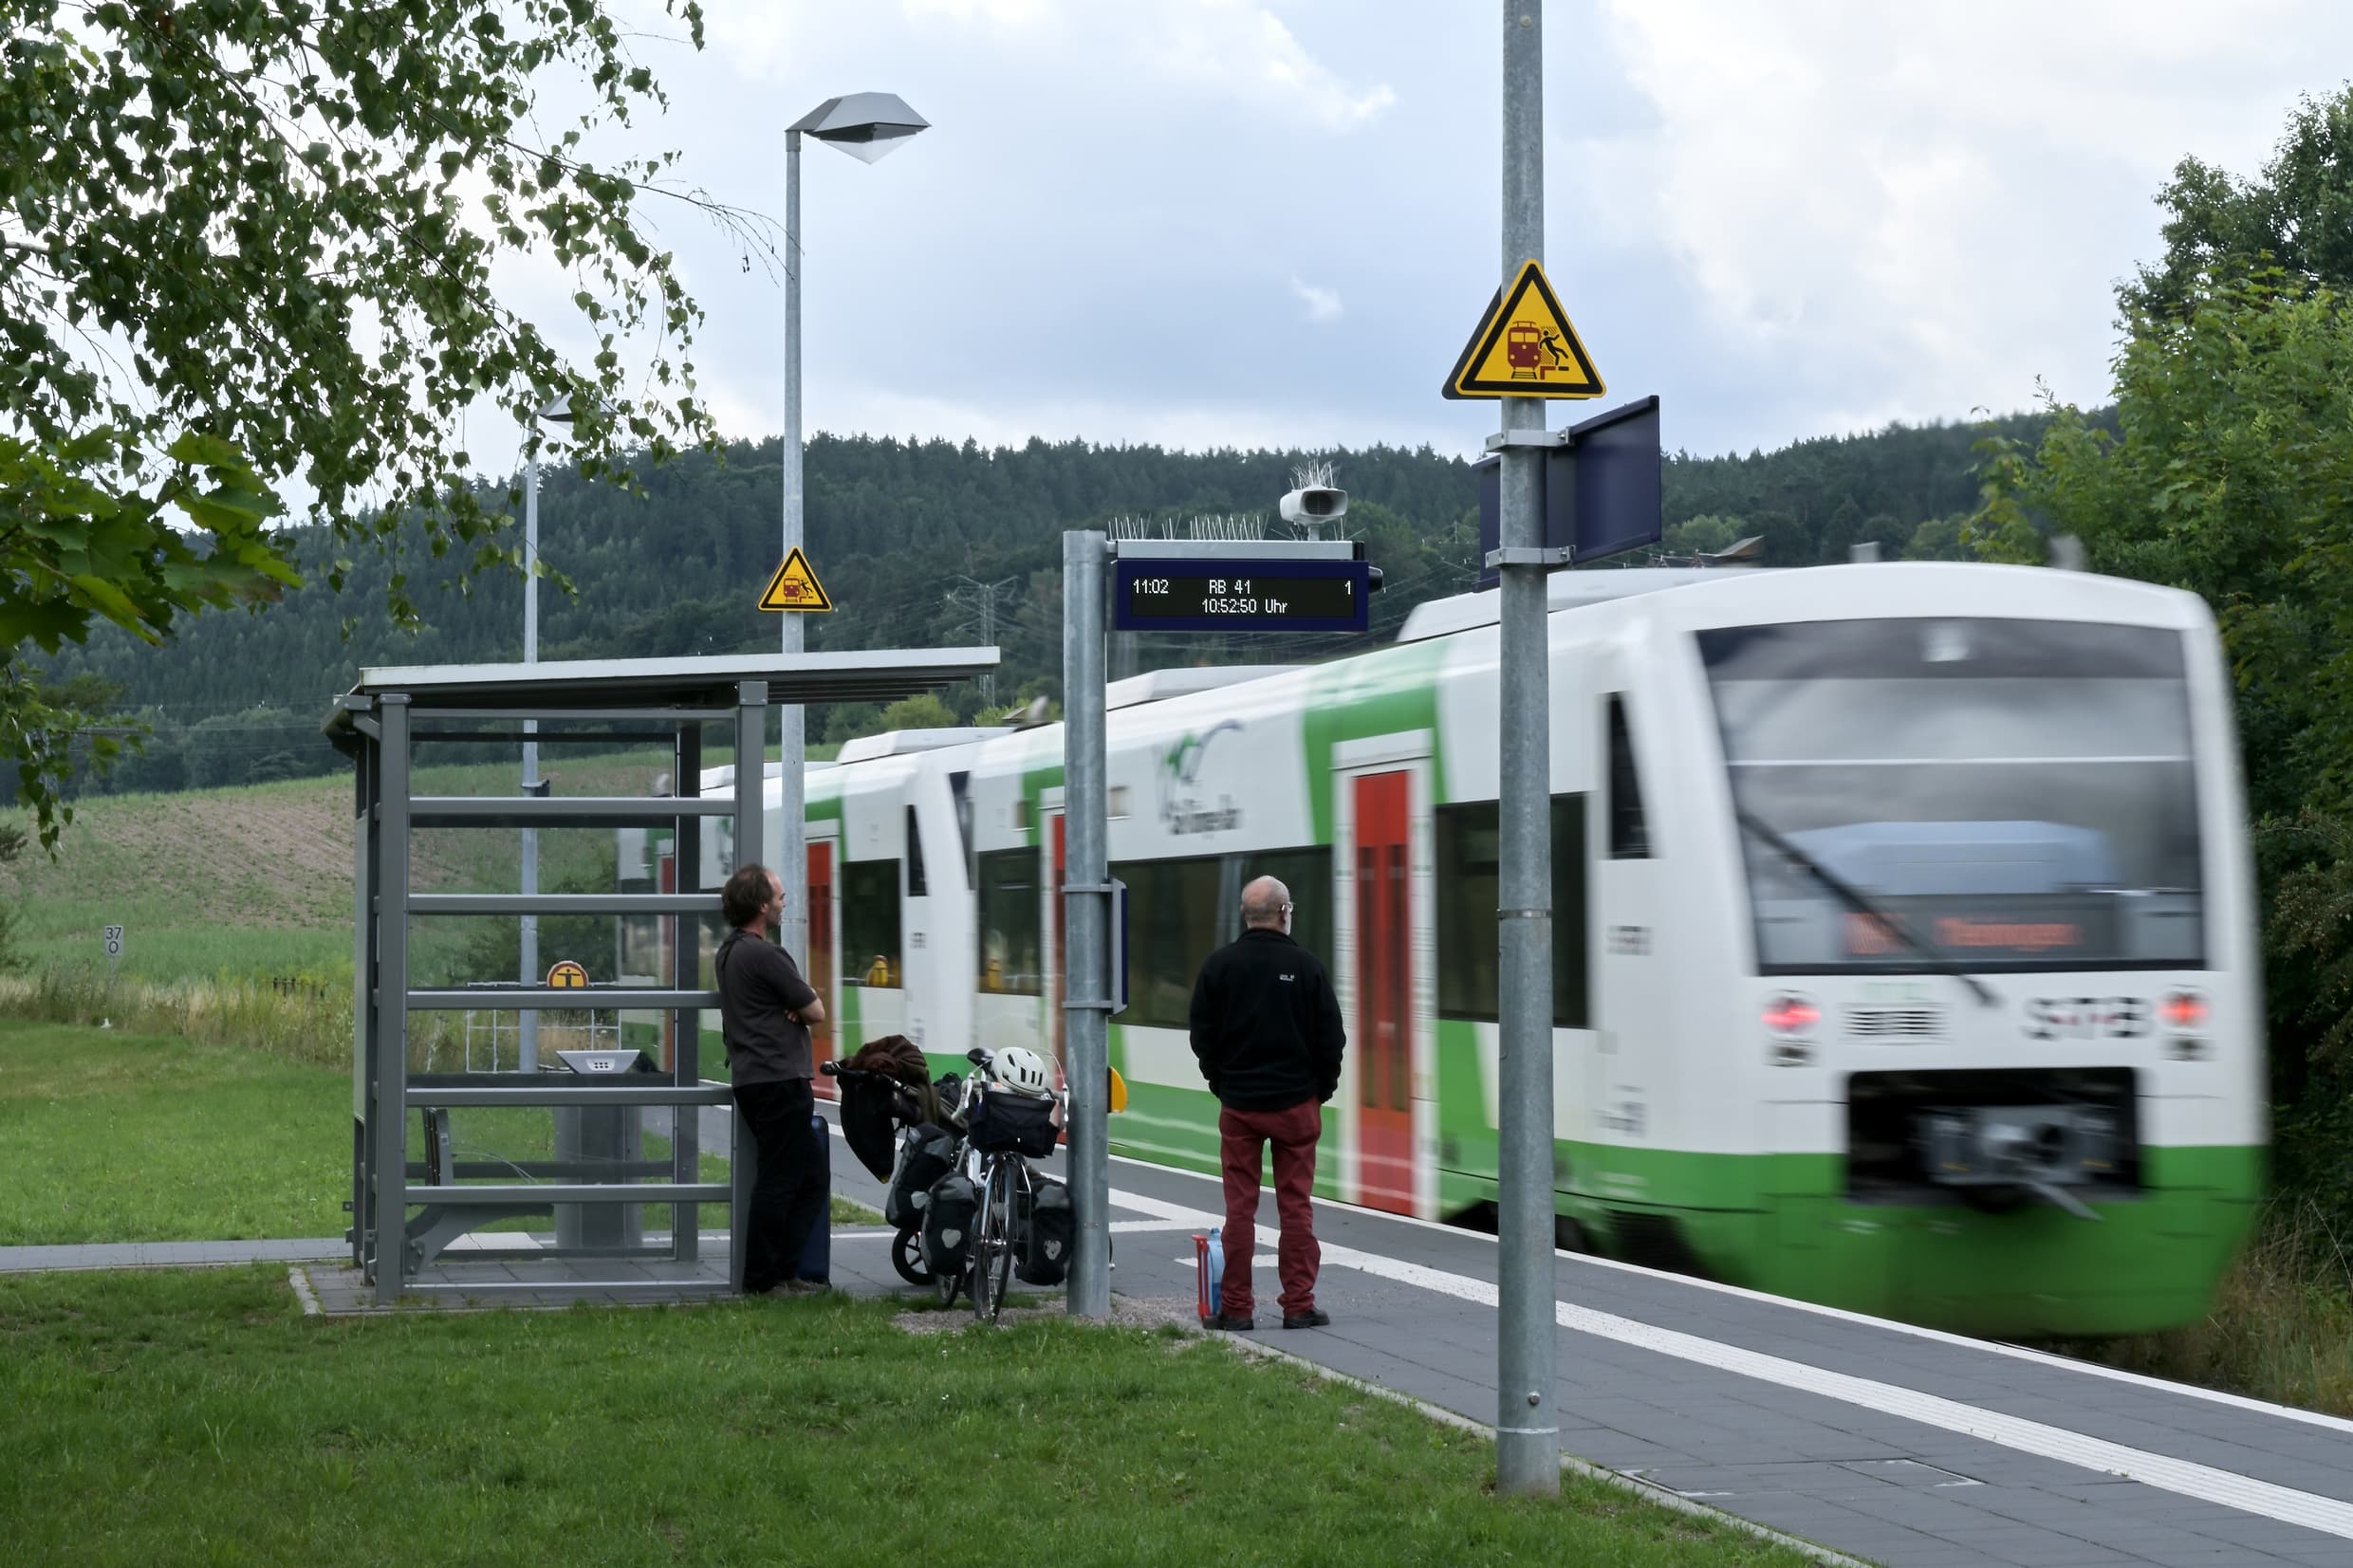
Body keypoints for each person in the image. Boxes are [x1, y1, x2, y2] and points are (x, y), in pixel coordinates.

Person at [1188, 875, 1344, 1331]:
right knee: (1296, 1206)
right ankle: (1298, 1305)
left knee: (1240, 1209)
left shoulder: (1219, 967)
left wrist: (1223, 1083)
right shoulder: (1308, 967)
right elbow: (1331, 1040)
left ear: (1245, 915)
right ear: (1283, 913)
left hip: (1240, 1106)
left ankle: (1237, 1309)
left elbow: (1202, 1037)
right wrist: (1320, 1091)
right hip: (1297, 1106)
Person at [714, 863, 829, 1296]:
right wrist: (802, 1004)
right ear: (762, 905)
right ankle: (763, 1281)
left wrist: (795, 1004)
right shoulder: (766, 954)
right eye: (779, 897)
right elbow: (816, 1011)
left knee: (808, 1176)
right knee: (782, 1181)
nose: (784, 903)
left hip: (755, 1080)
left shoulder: (728, 953)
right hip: (780, 1080)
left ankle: (784, 1272)